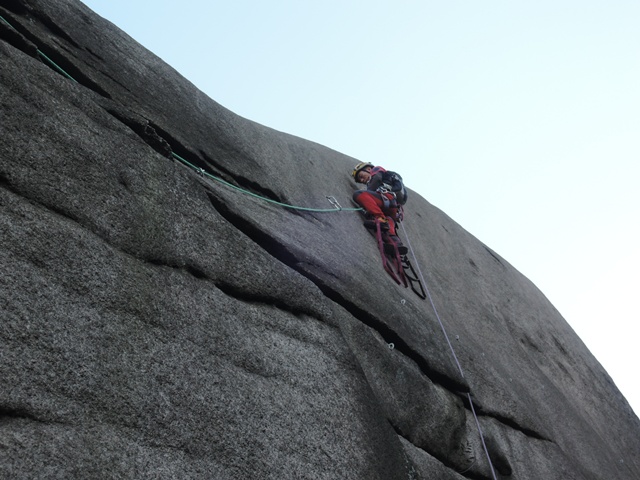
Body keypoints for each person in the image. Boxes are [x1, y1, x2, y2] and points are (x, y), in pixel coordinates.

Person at [351, 162, 408, 254]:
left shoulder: (376, 170)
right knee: (389, 221)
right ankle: (395, 243)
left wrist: (368, 195)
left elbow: (377, 179)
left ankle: (380, 219)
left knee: (359, 194)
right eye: (360, 180)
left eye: (361, 176)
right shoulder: (387, 179)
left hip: (386, 199)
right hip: (393, 208)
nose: (362, 180)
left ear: (368, 169)